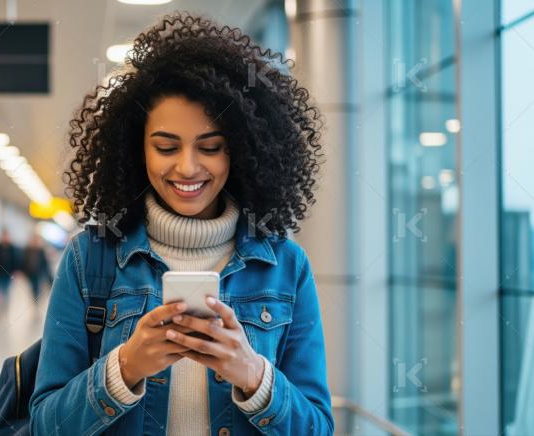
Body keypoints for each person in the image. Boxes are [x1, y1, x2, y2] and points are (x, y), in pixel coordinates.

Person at [29, 13, 333, 435]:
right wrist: (125, 367)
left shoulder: (285, 266)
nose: (187, 167)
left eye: (210, 147)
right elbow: (45, 426)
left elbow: (318, 428)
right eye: (166, 146)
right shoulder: (89, 259)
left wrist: (253, 375)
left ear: (240, 151)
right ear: (138, 150)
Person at [0, 229, 19, 306]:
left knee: (6, 293)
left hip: (7, 274)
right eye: (3, 236)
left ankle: (4, 308)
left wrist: (15, 272)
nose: (5, 237)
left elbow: (15, 261)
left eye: (6, 236)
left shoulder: (12, 248)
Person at [20, 233, 51, 301]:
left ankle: (36, 299)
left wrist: (49, 277)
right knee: (32, 287)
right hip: (30, 273)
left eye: (37, 240)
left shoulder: (41, 251)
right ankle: (35, 298)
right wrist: (23, 272)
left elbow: (45, 264)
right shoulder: (27, 250)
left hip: (38, 273)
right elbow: (23, 261)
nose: (35, 241)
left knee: (37, 287)